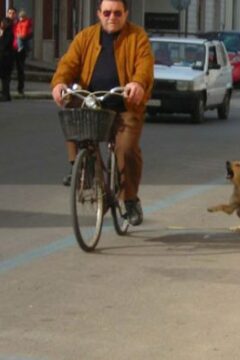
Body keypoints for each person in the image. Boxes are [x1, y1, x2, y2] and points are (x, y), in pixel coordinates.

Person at [51, 0, 154, 226]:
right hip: (94, 104)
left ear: (126, 14)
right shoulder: (85, 37)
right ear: (98, 14)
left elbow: (144, 67)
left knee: (126, 149)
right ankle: (80, 168)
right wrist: (60, 84)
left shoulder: (138, 38)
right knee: (72, 111)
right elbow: (68, 64)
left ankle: (129, 200)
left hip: (125, 106)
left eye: (117, 13)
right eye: (107, 12)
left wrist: (137, 83)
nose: (112, 17)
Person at [6, 7, 31, 95]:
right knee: (8, 69)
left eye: (13, 13)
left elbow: (28, 33)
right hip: (9, 49)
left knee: (20, 69)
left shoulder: (19, 23)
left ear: (15, 14)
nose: (11, 15)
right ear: (7, 14)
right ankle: (6, 89)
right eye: (10, 13)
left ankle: (20, 89)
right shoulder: (5, 24)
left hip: (19, 50)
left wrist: (25, 36)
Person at [0, 17, 14, 102]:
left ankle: (5, 95)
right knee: (5, 78)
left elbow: (3, 45)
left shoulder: (8, 33)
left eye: (2, 22)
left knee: (5, 78)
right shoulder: (7, 32)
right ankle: (6, 95)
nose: (1, 24)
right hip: (6, 58)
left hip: (6, 59)